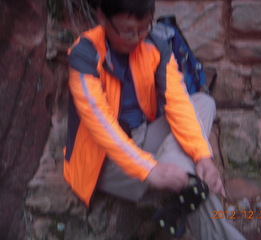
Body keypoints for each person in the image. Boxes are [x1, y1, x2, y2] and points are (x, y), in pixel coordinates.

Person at [63, 0, 245, 239]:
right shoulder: (84, 55)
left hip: (143, 136)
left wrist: (203, 156)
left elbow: (178, 102)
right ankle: (185, 178)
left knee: (203, 103)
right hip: (103, 161)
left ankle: (179, 169)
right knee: (194, 183)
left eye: (144, 28)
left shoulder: (155, 45)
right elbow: (100, 124)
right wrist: (149, 170)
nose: (137, 38)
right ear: (102, 18)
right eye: (128, 31)